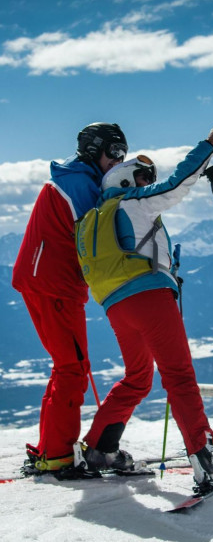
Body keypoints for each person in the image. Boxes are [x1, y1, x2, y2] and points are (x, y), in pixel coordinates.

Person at [75, 124, 213, 494]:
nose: (148, 181)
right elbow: (177, 183)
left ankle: (100, 448)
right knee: (178, 375)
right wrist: (209, 145)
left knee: (138, 377)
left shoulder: (94, 218)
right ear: (123, 179)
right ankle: (204, 458)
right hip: (149, 298)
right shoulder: (133, 202)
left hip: (117, 306)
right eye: (142, 175)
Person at [12, 123, 129, 472]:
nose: (118, 161)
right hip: (54, 285)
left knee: (68, 366)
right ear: (95, 150)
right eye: (115, 152)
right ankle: (58, 456)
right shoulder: (79, 185)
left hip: (46, 282)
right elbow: (97, 238)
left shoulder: (77, 179)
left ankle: (51, 448)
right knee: (73, 370)